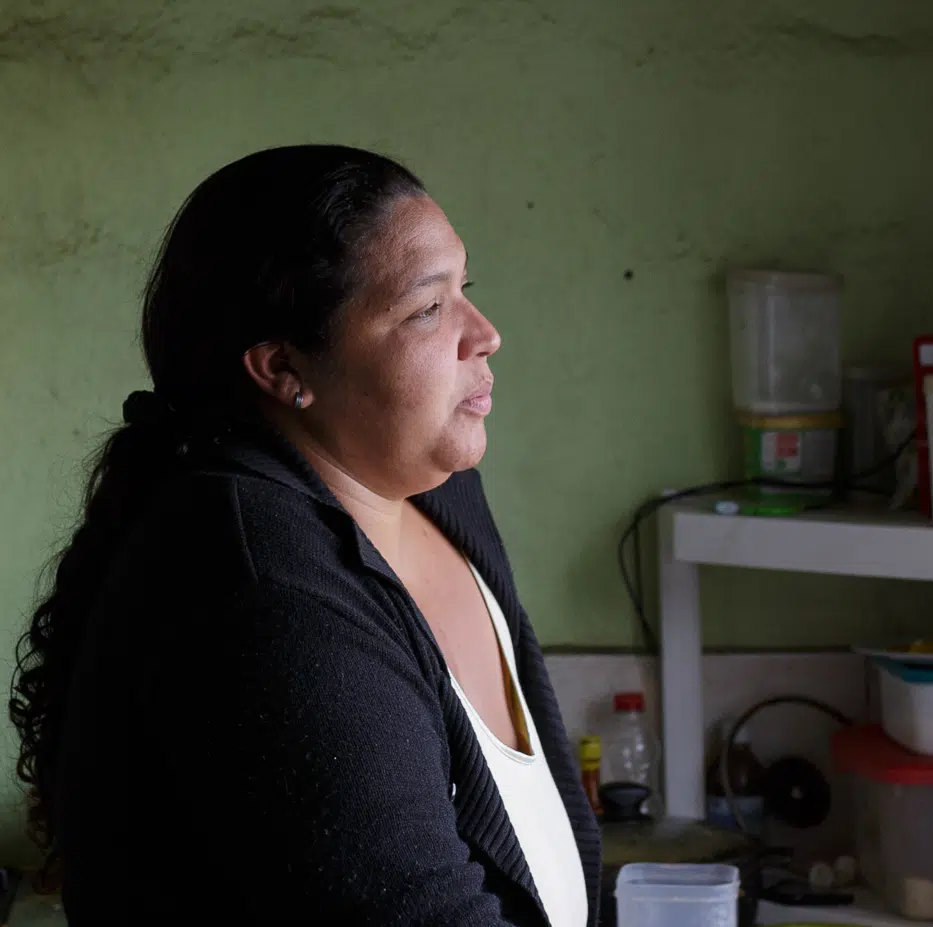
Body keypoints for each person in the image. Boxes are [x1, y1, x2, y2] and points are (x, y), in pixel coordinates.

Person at [8, 145, 599, 925]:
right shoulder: (261, 587)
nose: (484, 333)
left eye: (467, 290)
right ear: (284, 366)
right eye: (427, 308)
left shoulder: (439, 492)